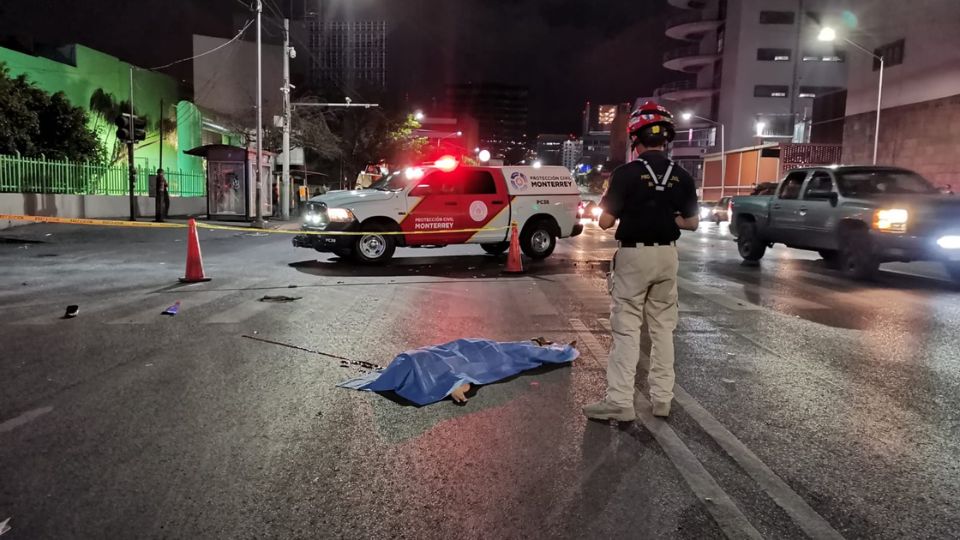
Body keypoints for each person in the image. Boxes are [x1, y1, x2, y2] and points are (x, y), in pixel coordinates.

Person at [583, 101, 700, 421]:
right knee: (663, 329)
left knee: (627, 329)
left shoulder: (625, 174)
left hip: (634, 256)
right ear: (667, 138)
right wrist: (666, 216)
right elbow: (692, 224)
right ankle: (662, 400)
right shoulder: (682, 176)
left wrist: (626, 208)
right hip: (667, 255)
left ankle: (620, 402)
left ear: (635, 137)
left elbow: (605, 222)